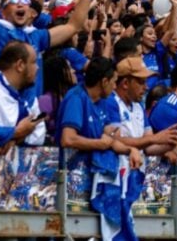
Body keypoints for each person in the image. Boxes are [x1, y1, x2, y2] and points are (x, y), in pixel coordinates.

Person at [57, 57, 143, 241]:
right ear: (104, 81)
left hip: (89, 180)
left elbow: (109, 140)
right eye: (113, 82)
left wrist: (130, 151)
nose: (115, 87)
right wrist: (99, 144)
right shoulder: (76, 98)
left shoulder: (102, 102)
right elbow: (68, 138)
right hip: (70, 181)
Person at [105, 56, 177, 156]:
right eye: (141, 82)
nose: (146, 87)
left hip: (137, 169)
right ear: (125, 83)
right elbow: (116, 140)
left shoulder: (138, 106)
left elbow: (148, 148)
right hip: (116, 169)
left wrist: (170, 143)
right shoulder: (111, 102)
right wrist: (154, 139)